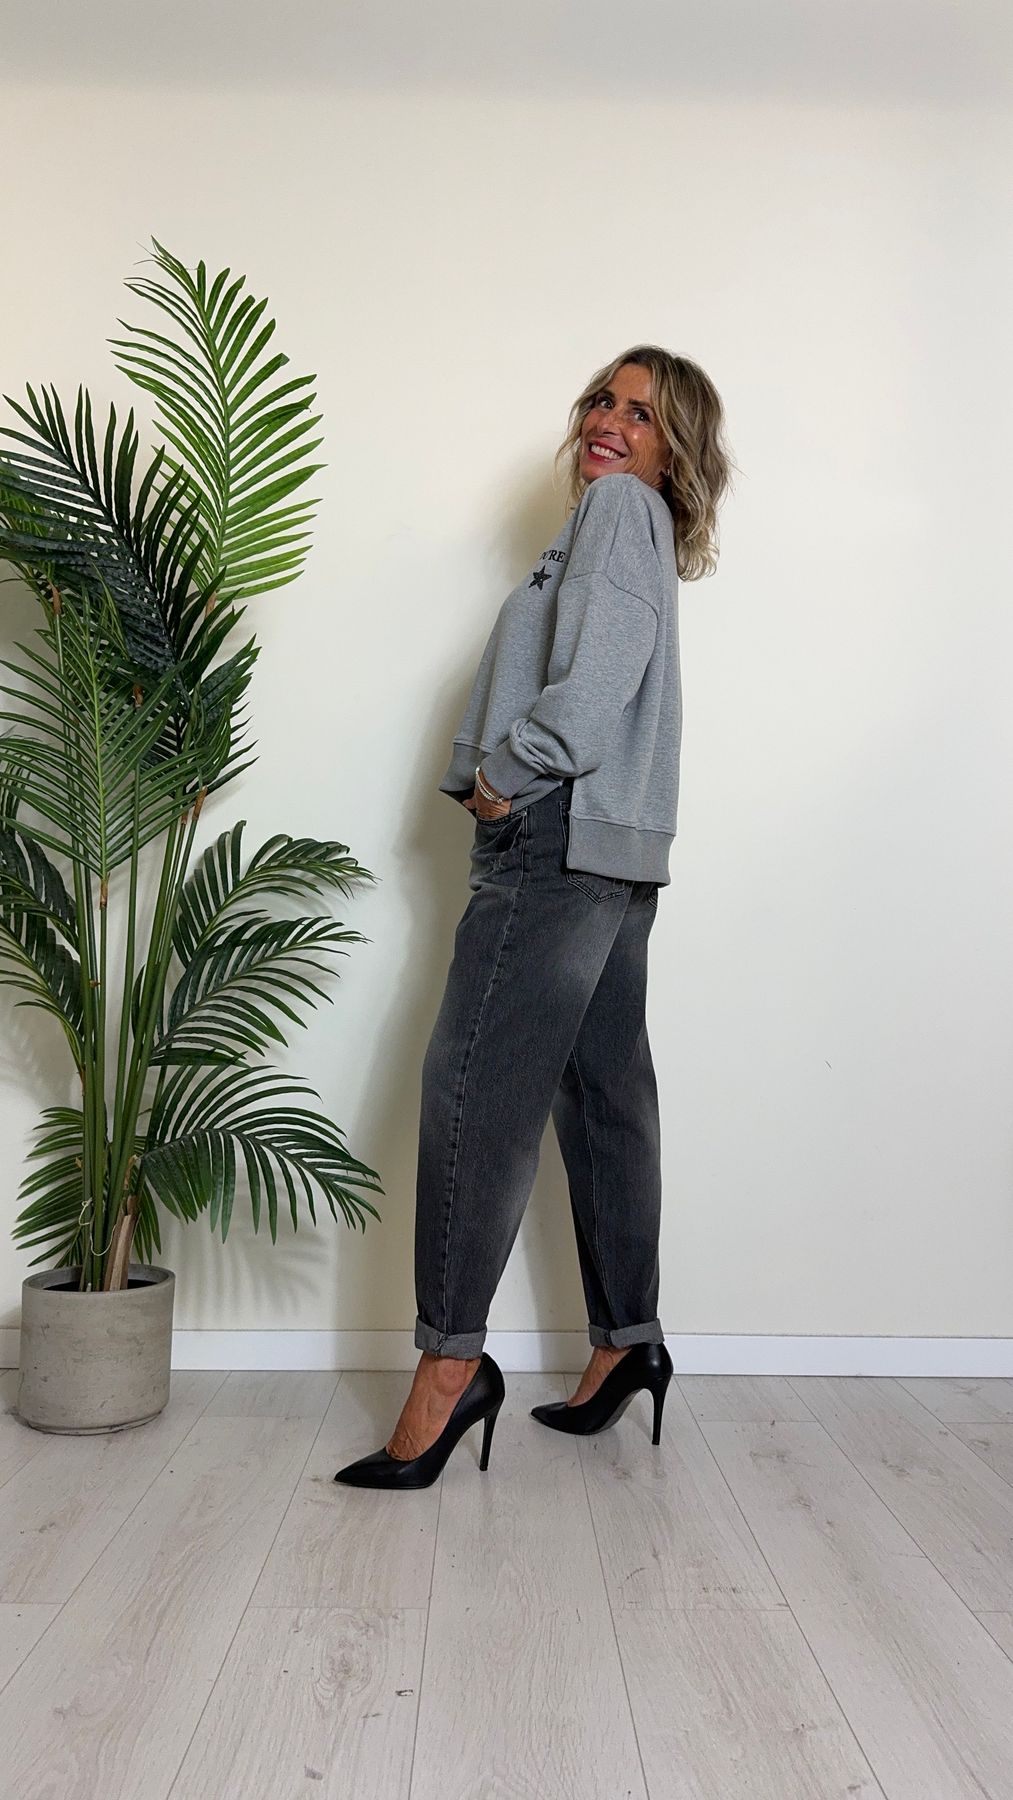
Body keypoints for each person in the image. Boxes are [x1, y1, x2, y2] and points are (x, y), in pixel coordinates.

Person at [335, 346, 733, 1489]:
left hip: (555, 840)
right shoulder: (623, 525)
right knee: (604, 1096)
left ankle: (447, 1373)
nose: (608, 421)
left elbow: (591, 689)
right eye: (602, 400)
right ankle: (624, 1342)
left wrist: (504, 773)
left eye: (640, 414)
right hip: (613, 852)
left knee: (475, 1091)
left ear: (673, 450)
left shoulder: (615, 512)